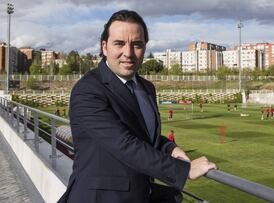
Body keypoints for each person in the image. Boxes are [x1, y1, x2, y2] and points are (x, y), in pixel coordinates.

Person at [58, 10, 216, 203]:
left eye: (137, 45)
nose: (129, 53)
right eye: (119, 43)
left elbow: (141, 133)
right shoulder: (88, 90)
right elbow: (123, 143)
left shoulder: (146, 87)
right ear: (104, 47)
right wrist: (183, 169)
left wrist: (168, 147)